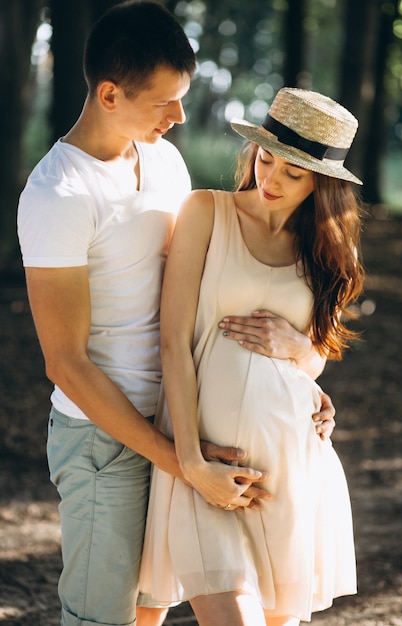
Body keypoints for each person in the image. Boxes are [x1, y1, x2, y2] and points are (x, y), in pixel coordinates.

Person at [17, 3, 336, 625]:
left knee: (149, 609)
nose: (181, 116)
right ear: (109, 93)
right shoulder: (59, 194)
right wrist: (184, 463)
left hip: (182, 418)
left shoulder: (163, 161)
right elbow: (67, 364)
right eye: (166, 101)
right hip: (104, 438)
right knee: (101, 618)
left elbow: (203, 298)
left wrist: (299, 375)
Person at [138, 87, 364, 626]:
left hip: (288, 467)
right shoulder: (205, 213)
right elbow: (173, 341)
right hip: (206, 460)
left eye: (293, 173)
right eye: (267, 160)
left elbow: (309, 361)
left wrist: (303, 352)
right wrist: (191, 461)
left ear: (321, 184)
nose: (271, 180)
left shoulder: (323, 253)